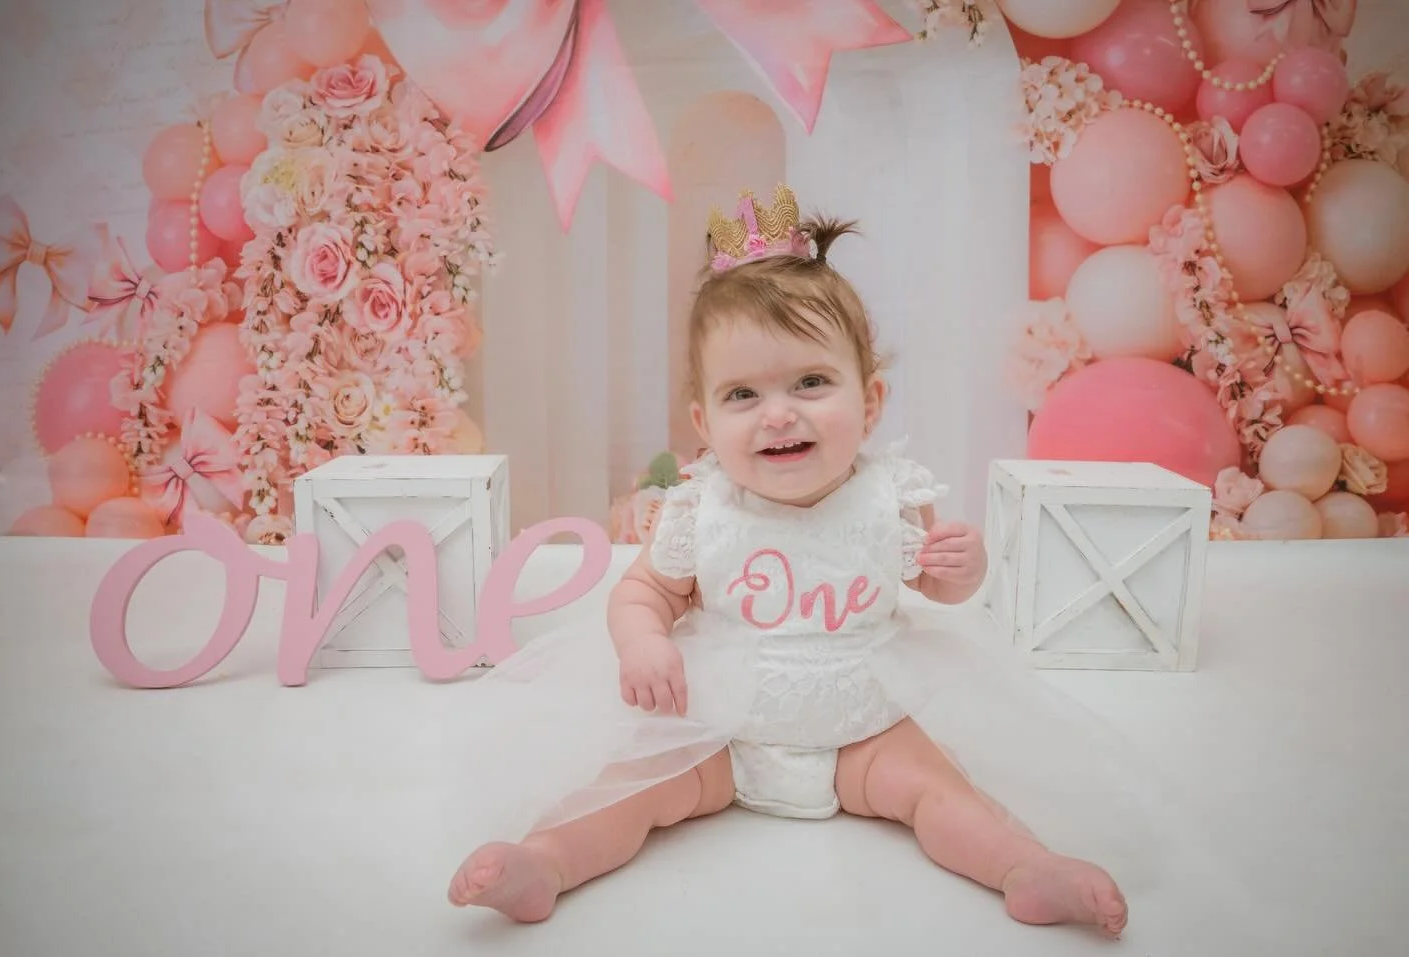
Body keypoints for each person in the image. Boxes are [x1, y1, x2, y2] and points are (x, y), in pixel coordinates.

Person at [445, 185, 1146, 937]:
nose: (779, 413)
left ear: (870, 400)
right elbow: (645, 589)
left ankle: (1025, 869)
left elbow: (938, 587)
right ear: (703, 422)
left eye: (811, 382)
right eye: (742, 393)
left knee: (943, 791)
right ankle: (545, 861)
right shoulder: (700, 508)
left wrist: (961, 566)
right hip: (718, 726)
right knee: (627, 788)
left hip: (862, 723)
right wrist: (644, 639)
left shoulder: (893, 498)